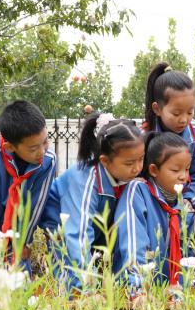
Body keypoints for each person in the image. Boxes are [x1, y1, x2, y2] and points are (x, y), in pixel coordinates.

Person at [40, 114, 144, 292]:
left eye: (141, 159)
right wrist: (86, 286)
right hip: (63, 228)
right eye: (129, 163)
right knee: (69, 281)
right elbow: (77, 235)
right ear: (105, 160)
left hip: (94, 228)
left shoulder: (126, 175)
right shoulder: (85, 179)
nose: (137, 168)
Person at [0, 100, 56, 270]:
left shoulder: (48, 161)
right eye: (33, 149)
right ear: (10, 147)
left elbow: (35, 204)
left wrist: (23, 241)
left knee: (21, 284)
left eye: (45, 142)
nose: (42, 151)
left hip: (17, 230)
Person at [114, 132, 193, 298]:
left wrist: (183, 294)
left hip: (172, 298)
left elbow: (189, 254)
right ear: (154, 170)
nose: (183, 176)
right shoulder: (138, 192)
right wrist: (140, 290)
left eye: (186, 169)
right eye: (175, 170)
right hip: (138, 295)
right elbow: (133, 244)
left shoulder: (184, 207)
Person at [143, 62, 195, 209]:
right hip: (152, 203)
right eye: (176, 113)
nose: (184, 119)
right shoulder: (143, 135)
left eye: (190, 112)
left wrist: (189, 200)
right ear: (157, 108)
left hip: (188, 205)